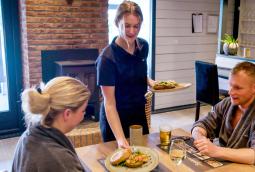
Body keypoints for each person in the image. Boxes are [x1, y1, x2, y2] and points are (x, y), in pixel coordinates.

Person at [191, 61, 255, 171]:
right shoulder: (227, 104)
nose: (231, 92)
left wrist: (217, 151)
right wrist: (201, 139)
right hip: (225, 167)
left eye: (238, 88)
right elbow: (201, 124)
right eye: (230, 85)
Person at [96, 1, 155, 148]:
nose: (132, 31)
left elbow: (135, 70)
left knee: (143, 157)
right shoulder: (107, 59)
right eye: (127, 26)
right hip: (116, 118)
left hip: (138, 114)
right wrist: (121, 139)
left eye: (136, 26)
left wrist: (150, 81)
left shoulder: (143, 46)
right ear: (117, 23)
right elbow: (109, 104)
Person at [12, 77, 91, 172]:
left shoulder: (29, 134)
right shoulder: (61, 161)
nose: (84, 114)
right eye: (83, 111)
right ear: (67, 114)